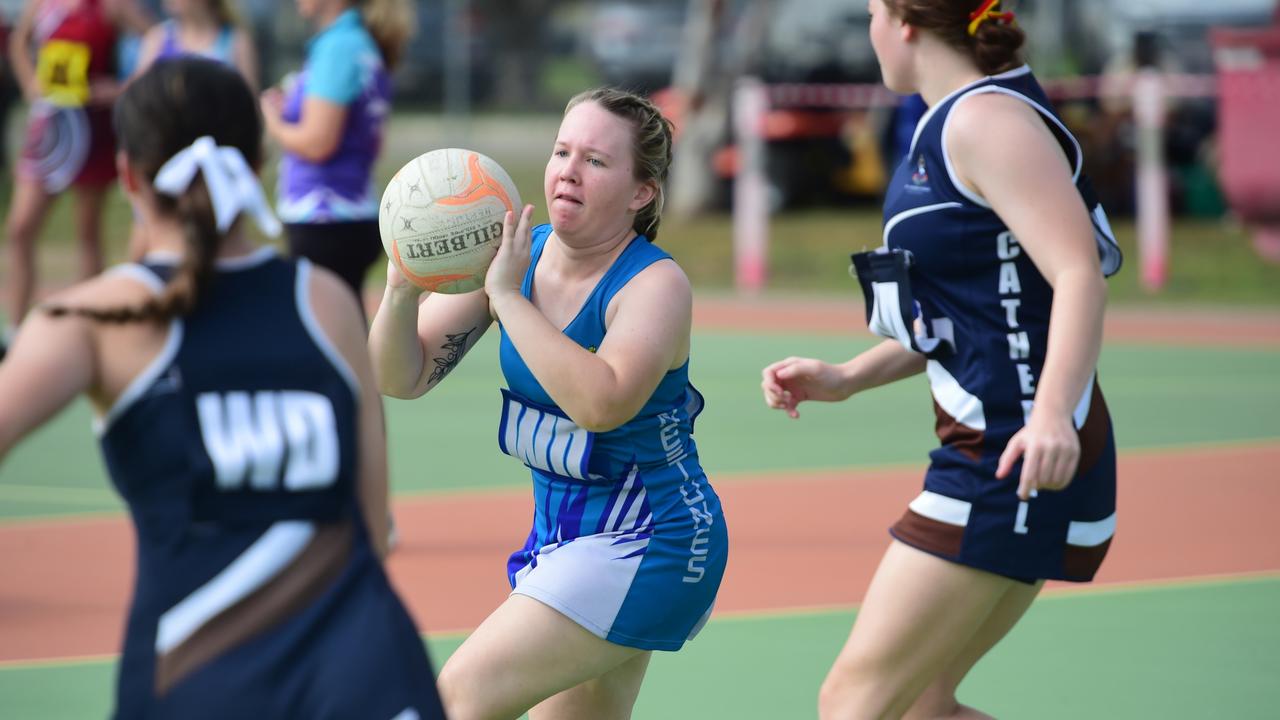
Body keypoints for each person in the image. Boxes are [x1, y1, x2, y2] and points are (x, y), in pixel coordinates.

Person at [0, 58, 445, 719]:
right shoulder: (323, 300)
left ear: (127, 175)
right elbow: (372, 530)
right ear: (260, 158)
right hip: (371, 679)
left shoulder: (88, 320)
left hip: (197, 682)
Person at [760, 1, 1123, 717]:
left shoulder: (984, 121)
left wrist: (1050, 416)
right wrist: (849, 377)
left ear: (903, 21)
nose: (867, 31)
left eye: (869, 11)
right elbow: (974, 314)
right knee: (922, 706)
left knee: (853, 705)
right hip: (1011, 447)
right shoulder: (953, 120)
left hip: (1012, 453)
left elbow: (1077, 274)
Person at [368, 87, 729, 720]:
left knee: (457, 698)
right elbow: (403, 376)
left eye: (595, 160)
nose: (568, 169)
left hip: (654, 538)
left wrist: (507, 299)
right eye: (562, 150)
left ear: (641, 191)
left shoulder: (653, 285)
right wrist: (401, 286)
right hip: (563, 539)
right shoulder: (518, 255)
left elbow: (602, 402)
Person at [2, 0, 152, 357]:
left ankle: (86, 332)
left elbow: (156, 40)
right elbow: (19, 42)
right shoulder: (42, 3)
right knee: (20, 228)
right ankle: (16, 330)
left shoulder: (112, 5)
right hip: (50, 124)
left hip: (91, 126)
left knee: (87, 233)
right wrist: (29, 82)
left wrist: (119, 88)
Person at [260, 0, 413, 317]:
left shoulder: (339, 46)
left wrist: (274, 121)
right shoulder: (357, 42)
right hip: (347, 213)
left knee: (327, 338)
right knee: (343, 334)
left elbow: (318, 143)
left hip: (324, 217)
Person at [125, 0, 257, 262]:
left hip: (217, 175)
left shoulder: (234, 41)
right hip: (161, 171)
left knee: (220, 257)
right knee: (144, 254)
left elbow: (249, 110)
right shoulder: (159, 39)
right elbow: (137, 108)